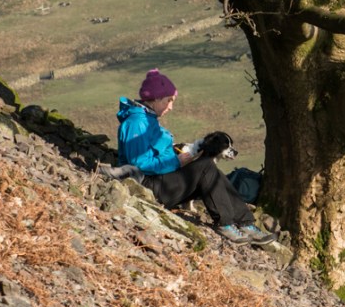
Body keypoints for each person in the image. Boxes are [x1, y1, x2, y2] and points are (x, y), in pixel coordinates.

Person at [114, 68, 275, 245]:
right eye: (169, 100)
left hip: (160, 181)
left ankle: (245, 223)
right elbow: (139, 163)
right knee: (205, 166)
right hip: (148, 186)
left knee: (208, 166)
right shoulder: (136, 123)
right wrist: (176, 161)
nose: (171, 106)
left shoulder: (147, 119)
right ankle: (227, 224)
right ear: (156, 98)